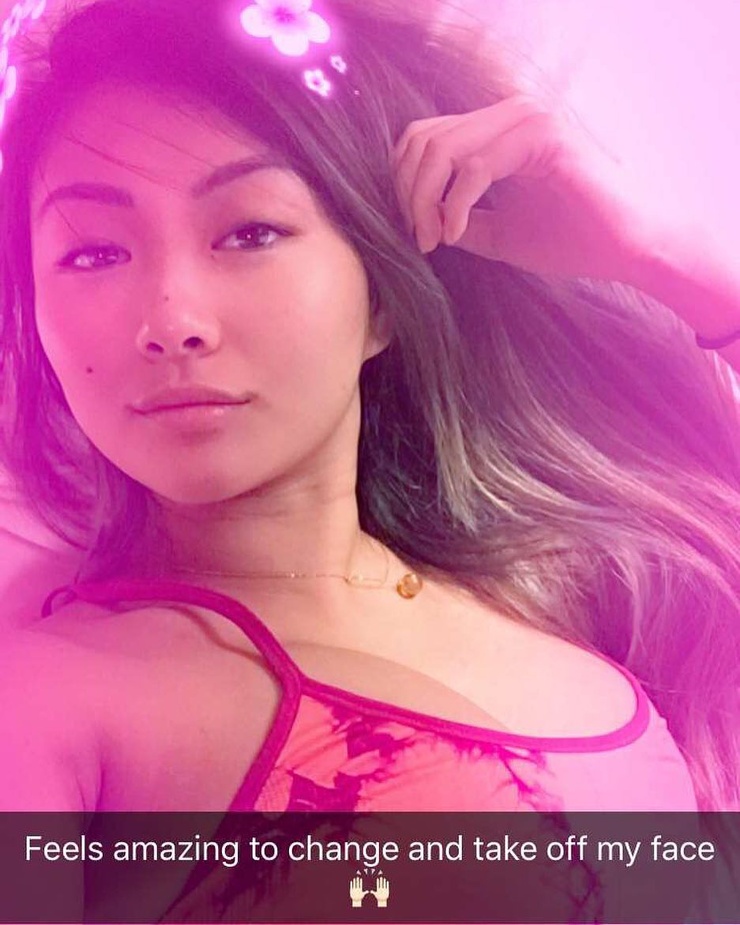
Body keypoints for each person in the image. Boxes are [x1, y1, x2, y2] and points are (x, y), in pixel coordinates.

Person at [1, 0, 739, 846]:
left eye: (250, 232)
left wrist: (664, 258)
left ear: (383, 296)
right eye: (94, 252)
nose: (172, 321)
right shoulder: (48, 703)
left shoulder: (577, 597)